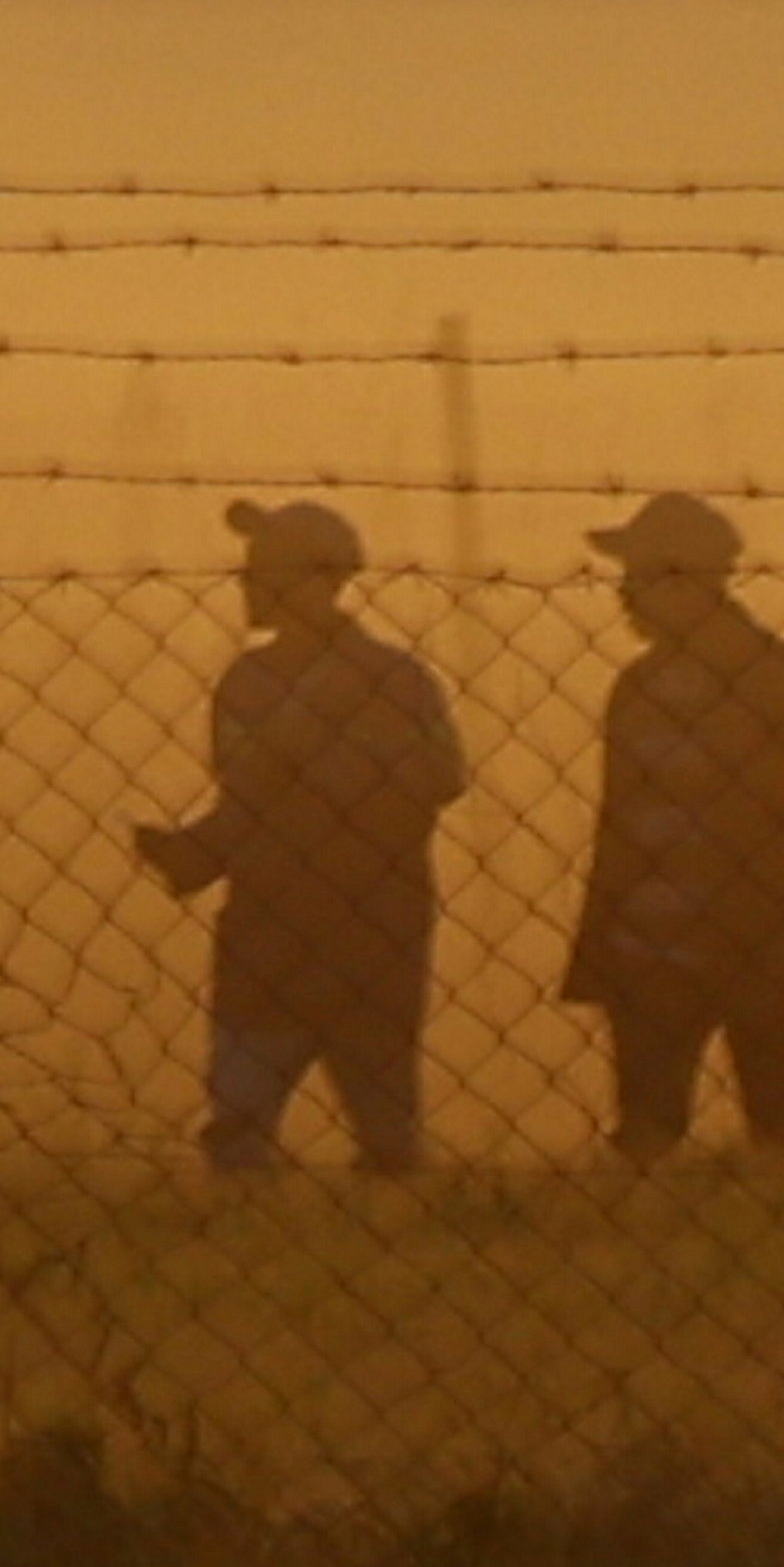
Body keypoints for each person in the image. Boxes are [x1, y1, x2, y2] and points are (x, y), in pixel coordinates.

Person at [127, 496, 470, 1173]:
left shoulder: (392, 680)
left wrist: (314, 758)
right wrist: (195, 849)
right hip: (271, 930)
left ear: (318, 579)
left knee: (384, 1129)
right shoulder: (249, 682)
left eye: (266, 569)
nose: (249, 584)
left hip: (366, 930)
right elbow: (250, 798)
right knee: (240, 1127)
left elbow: (441, 775)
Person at [557, 491, 784, 1163]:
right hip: (649, 951)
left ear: (684, 578)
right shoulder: (636, 687)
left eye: (637, 576)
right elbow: (619, 828)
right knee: (646, 1132)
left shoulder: (780, 681)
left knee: (775, 1124)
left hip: (760, 944)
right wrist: (606, 944)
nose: (624, 594)